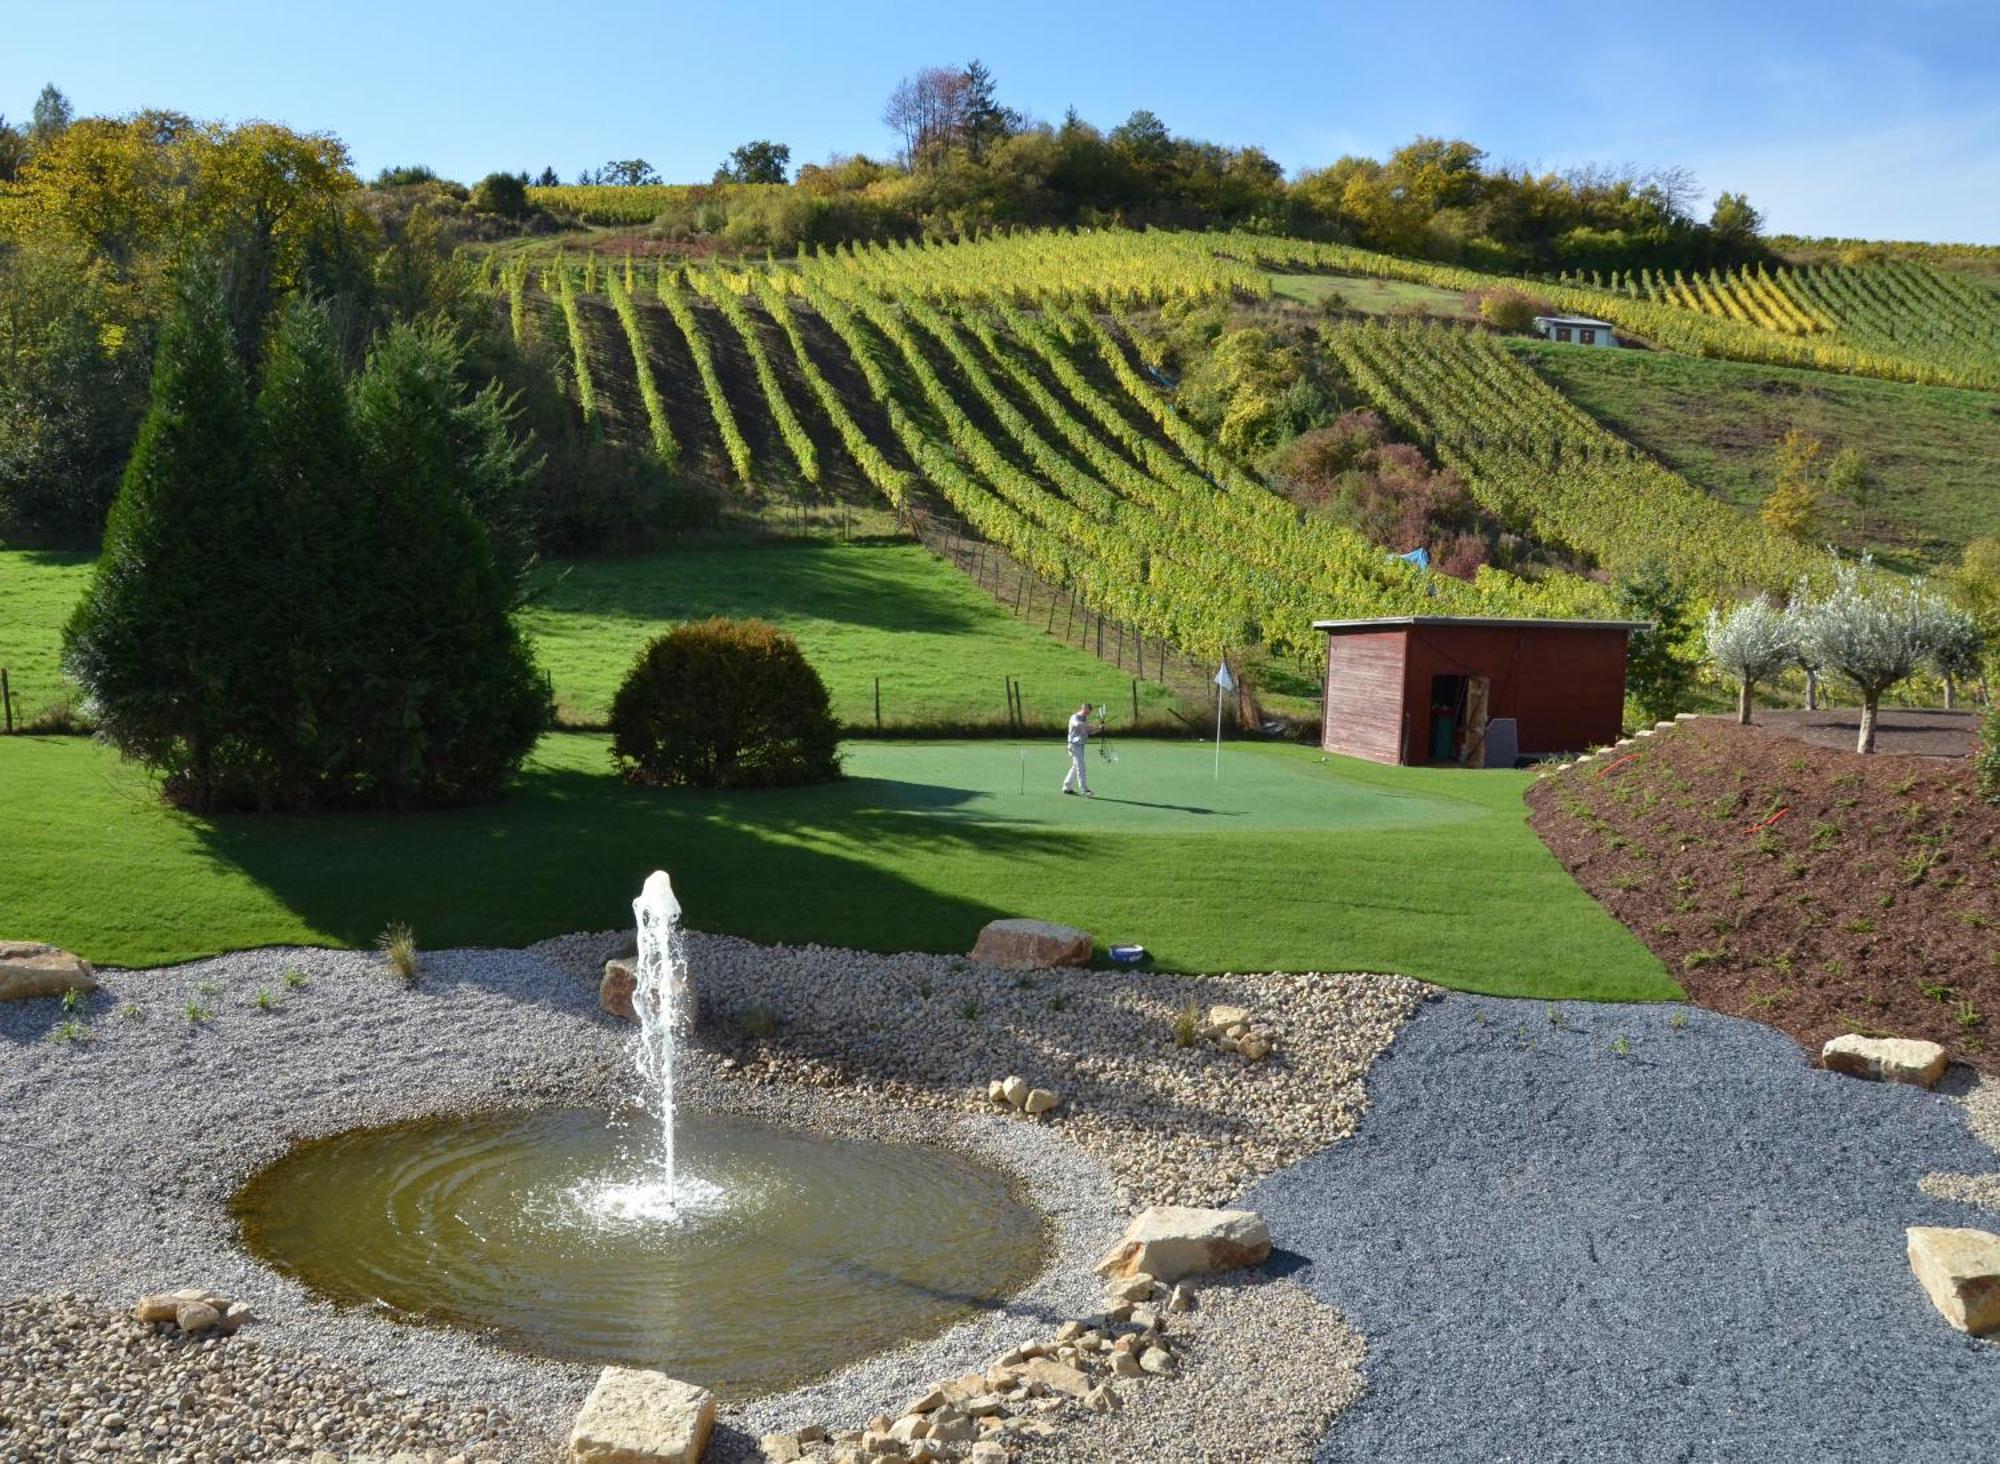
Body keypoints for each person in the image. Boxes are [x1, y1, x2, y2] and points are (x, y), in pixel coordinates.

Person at [1061, 701, 1094, 796]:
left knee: (1076, 766)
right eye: (1086, 711)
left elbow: (1088, 731)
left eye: (1089, 713)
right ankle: (1084, 789)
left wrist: (1099, 729)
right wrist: (1091, 726)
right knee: (1081, 766)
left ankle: (1067, 787)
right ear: (1083, 708)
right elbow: (1078, 724)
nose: (1087, 714)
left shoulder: (1085, 719)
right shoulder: (1074, 717)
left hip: (1081, 744)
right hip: (1074, 745)